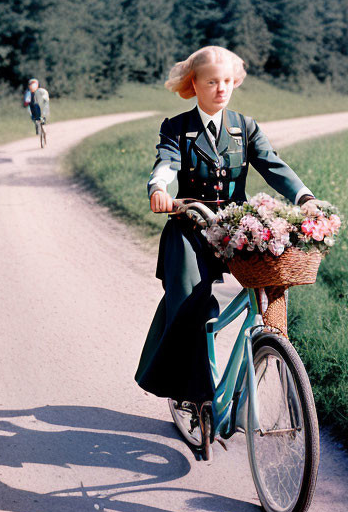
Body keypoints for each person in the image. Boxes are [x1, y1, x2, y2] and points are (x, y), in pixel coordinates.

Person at [135, 46, 318, 409]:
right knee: (190, 302)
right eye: (212, 82)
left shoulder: (245, 127)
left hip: (236, 230)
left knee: (273, 284)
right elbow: (167, 162)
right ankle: (192, 394)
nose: (221, 89)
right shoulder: (178, 128)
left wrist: (303, 197)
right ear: (194, 84)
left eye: (228, 81)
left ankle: (273, 349)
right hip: (191, 229)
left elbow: (273, 165)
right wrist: (159, 189)